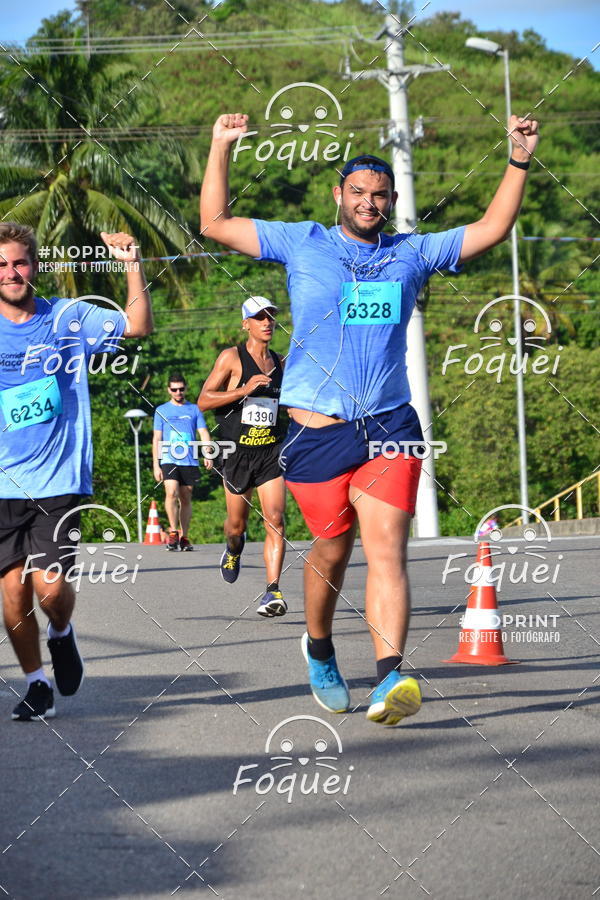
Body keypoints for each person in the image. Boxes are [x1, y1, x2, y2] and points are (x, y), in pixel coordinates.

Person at [201, 112, 539, 725]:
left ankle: (390, 679)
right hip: (312, 428)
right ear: (339, 196)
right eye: (357, 192)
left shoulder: (413, 252)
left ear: (392, 201)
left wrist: (517, 159)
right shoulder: (303, 242)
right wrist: (222, 147)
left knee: (387, 549)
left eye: (380, 194)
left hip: (389, 425)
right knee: (331, 551)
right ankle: (320, 647)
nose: (369, 202)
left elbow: (491, 228)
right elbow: (215, 223)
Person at [0, 224, 153, 721]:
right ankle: (35, 682)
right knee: (12, 592)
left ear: (35, 266)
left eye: (19, 262)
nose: (11, 272)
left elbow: (136, 327)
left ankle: (61, 632)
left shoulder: (67, 317)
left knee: (48, 589)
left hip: (58, 478)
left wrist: (131, 262)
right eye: (1, 265)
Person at [198, 296, 287, 617]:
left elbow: (288, 405)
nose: (266, 322)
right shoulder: (231, 358)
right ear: (245, 324)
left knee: (276, 520)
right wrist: (242, 390)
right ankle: (233, 549)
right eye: (259, 317)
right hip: (236, 454)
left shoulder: (280, 362)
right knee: (236, 526)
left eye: (270, 317)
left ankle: (272, 591)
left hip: (270, 453)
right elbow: (204, 400)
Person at [152, 373, 212, 551]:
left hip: (189, 460)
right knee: (171, 493)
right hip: (169, 459)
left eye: (181, 389)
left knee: (186, 497)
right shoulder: (161, 410)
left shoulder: (194, 409)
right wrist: (156, 464)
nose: (178, 392)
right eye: (174, 389)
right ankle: (172, 533)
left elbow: (204, 433)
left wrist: (208, 453)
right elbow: (157, 438)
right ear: (168, 390)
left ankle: (184, 536)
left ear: (186, 388)